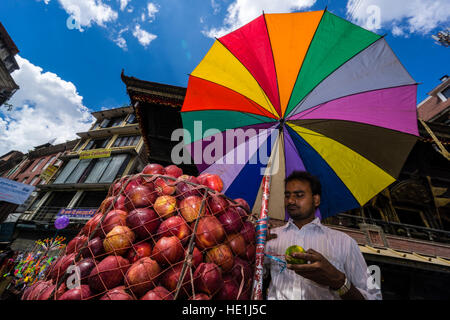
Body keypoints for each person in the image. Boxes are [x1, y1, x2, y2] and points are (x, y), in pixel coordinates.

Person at [263, 171, 382, 300]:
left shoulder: (344, 243)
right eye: (287, 195)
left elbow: (373, 297)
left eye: (299, 195)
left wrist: (338, 281)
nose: (290, 201)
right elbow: (252, 279)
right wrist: (254, 246)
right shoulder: (271, 237)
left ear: (316, 199)